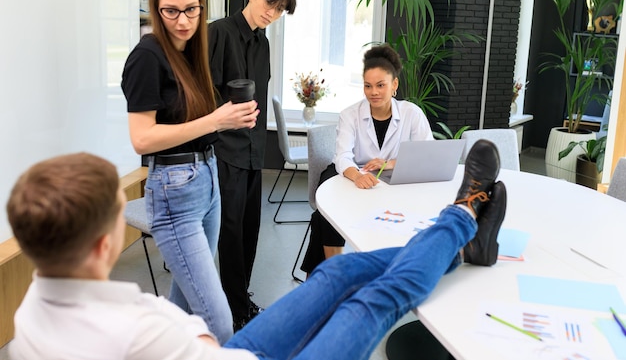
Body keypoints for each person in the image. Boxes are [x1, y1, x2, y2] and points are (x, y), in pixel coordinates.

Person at [8, 139, 506, 360]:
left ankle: (461, 249)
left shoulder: (32, 311)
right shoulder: (134, 331)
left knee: (336, 273)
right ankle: (463, 215)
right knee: (373, 299)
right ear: (104, 244)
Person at [120, 0, 259, 343]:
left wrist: (228, 119)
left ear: (202, 6)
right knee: (217, 322)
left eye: (191, 9)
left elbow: (193, 121)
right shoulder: (147, 55)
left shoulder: (191, 50)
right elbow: (142, 139)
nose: (183, 21)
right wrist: (216, 121)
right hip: (173, 190)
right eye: (171, 11)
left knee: (180, 311)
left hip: (207, 179)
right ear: (156, 9)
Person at [207, 0, 297, 330]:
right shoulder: (219, 33)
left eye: (279, 10)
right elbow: (207, 94)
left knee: (249, 228)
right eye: (269, 4)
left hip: (252, 150)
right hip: (225, 149)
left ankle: (239, 298)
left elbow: (260, 96)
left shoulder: (263, 43)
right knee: (229, 231)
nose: (272, 14)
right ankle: (234, 308)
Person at [301, 43, 434, 274]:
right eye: (368, 86)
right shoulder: (350, 114)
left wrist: (391, 163)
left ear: (394, 85)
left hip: (390, 177)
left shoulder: (412, 114)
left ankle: (328, 274)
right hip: (347, 174)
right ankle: (335, 272)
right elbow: (342, 156)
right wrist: (357, 176)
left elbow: (427, 155)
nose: (374, 92)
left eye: (381, 85)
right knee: (328, 212)